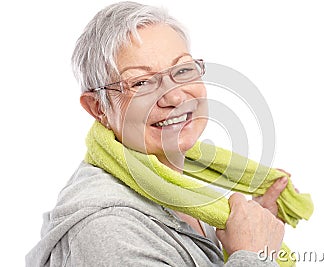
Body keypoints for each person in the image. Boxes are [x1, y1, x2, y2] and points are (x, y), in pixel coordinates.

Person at [26, 2, 290, 266]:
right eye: (141, 83)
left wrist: (247, 236)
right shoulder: (108, 228)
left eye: (183, 70)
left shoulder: (176, 186)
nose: (175, 96)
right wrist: (252, 256)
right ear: (99, 109)